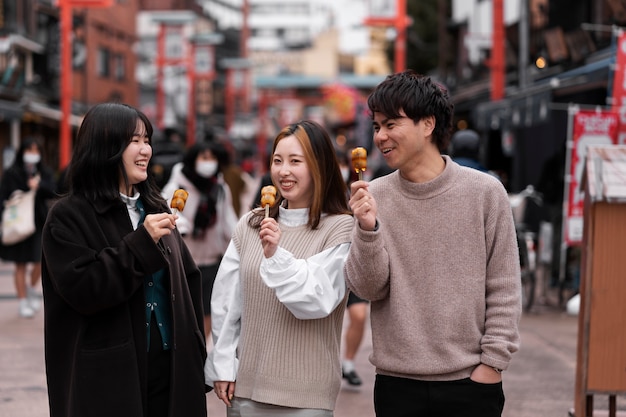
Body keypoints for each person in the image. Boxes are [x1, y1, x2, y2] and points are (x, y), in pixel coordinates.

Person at [344, 70, 521, 417]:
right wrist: (367, 229)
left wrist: (493, 364)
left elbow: (504, 286)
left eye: (392, 124)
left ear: (428, 124)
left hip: (470, 383)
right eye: (377, 126)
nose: (381, 136)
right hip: (396, 384)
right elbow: (368, 287)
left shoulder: (485, 192)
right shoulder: (373, 194)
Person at [41, 103, 208, 417]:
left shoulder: (156, 206)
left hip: (171, 366)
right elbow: (84, 290)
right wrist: (140, 244)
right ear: (105, 146)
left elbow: (188, 280)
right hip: (108, 374)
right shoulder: (67, 216)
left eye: (147, 140)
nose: (145, 150)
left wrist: (196, 348)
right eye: (134, 141)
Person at [205, 120, 354, 415]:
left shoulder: (340, 227)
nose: (283, 171)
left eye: (295, 161)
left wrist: (275, 254)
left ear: (319, 166)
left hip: (307, 397)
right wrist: (223, 364)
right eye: (277, 160)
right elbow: (227, 303)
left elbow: (315, 300)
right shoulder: (250, 224)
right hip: (246, 389)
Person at [161, 141, 238, 340]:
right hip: (185, 262)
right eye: (204, 158)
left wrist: (241, 241)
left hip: (212, 260)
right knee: (185, 311)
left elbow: (228, 220)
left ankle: (201, 352)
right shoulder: (177, 186)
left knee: (208, 312)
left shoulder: (220, 188)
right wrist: (181, 225)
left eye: (212, 158)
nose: (208, 163)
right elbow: (166, 215)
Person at [0, 137, 56, 318]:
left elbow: (53, 190)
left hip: (38, 222)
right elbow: (4, 194)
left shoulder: (44, 172)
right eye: (29, 150)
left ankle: (32, 288)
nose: (32, 154)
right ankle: (22, 301)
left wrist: (38, 186)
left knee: (40, 260)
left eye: (35, 151)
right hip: (18, 223)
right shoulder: (12, 172)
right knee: (20, 264)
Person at [336, 149, 368, 387]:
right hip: (327, 265)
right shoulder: (315, 191)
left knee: (359, 315)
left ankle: (348, 363)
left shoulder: (360, 189)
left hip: (354, 262)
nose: (340, 168)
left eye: (343, 163)